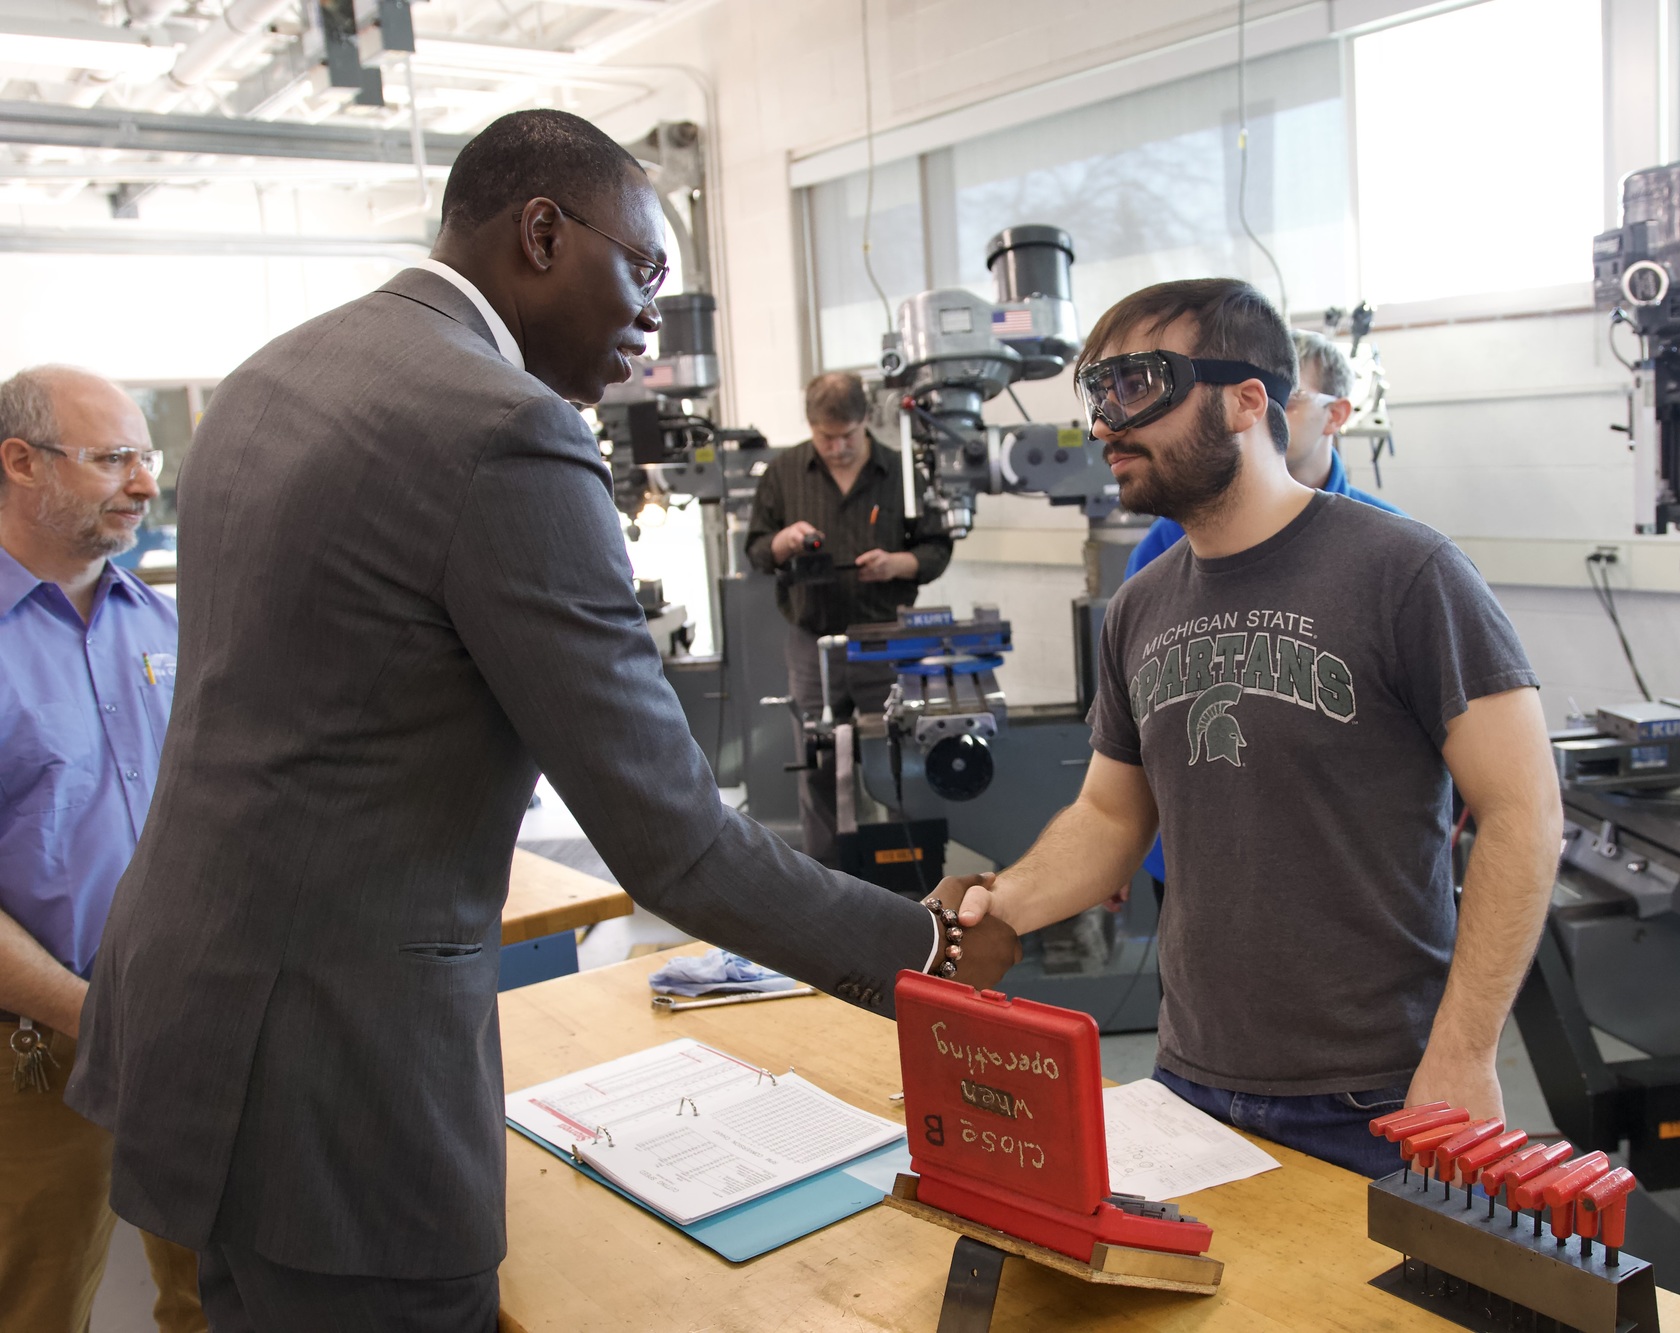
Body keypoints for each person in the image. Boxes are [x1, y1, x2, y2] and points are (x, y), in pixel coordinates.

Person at [65, 109, 1017, 1333]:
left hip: (190, 1012)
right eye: (644, 270)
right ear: (540, 233)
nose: (652, 320)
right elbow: (673, 841)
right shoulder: (503, 429)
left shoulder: (268, 378)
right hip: (341, 1070)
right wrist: (924, 952)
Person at [948, 278, 1562, 1177]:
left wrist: (1466, 1051)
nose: (1107, 425)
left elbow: (1523, 813)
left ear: (1246, 401)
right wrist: (1001, 905)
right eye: (1097, 393)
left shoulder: (1407, 573)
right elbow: (1114, 817)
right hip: (1190, 1079)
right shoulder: (1140, 605)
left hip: (1378, 1092)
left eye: (1140, 386)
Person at [0, 366, 206, 1333]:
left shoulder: (166, 625)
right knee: (37, 1303)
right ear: (20, 462)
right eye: (114, 458)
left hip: (183, 1027)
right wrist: (91, 1011)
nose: (142, 483)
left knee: (221, 1291)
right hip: (34, 1049)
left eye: (146, 457)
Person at [1121, 329, 1406, 901]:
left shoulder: (1396, 556)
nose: (1266, 411)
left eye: (1291, 397)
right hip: (1188, 861)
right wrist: (1114, 845)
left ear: (1337, 416)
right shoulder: (1164, 547)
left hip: (1332, 879)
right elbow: (1135, 718)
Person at [745, 371, 952, 863]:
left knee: (900, 760)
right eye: (826, 437)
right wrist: (784, 542)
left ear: (867, 421)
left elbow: (937, 547)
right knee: (818, 767)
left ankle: (909, 879)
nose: (837, 448)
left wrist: (895, 564)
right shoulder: (785, 472)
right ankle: (828, 885)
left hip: (886, 643)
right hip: (811, 643)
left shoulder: (900, 472)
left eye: (848, 436)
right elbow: (756, 550)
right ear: (810, 426)